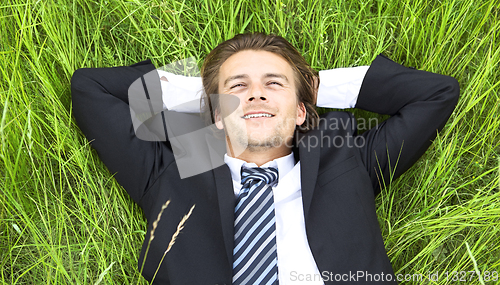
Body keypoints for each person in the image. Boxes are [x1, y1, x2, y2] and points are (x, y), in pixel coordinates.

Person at [70, 33, 460, 284]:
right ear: (217, 114)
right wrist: (207, 98)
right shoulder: (172, 170)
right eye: (238, 86)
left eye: (274, 84)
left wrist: (312, 85)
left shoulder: (344, 160)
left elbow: (435, 95)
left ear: (303, 111)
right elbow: (92, 88)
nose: (256, 95)